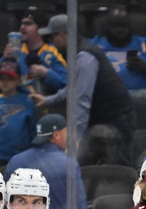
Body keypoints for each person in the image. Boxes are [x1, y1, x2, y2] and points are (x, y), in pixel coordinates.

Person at [30, 14, 136, 168]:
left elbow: (81, 101)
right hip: (103, 117)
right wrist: (47, 100)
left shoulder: (85, 56)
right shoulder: (79, 53)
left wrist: (74, 140)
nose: (51, 42)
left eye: (52, 37)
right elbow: (74, 89)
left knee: (120, 166)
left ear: (64, 35)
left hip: (117, 118)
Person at [5, 113, 91, 209]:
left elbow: (3, 198)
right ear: (56, 135)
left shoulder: (16, 161)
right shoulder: (68, 163)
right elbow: (79, 202)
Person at [0, 59, 37, 169]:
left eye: (10, 79)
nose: (5, 82)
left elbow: (32, 131)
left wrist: (33, 154)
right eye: (1, 79)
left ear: (18, 80)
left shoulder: (28, 102)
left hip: (22, 158)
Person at [4, 10, 67, 96]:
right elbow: (1, 81)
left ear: (41, 29)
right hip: (20, 103)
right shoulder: (15, 51)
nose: (22, 27)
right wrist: (5, 59)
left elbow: (65, 85)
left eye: (28, 24)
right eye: (22, 23)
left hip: (46, 104)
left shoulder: (54, 52)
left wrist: (47, 74)